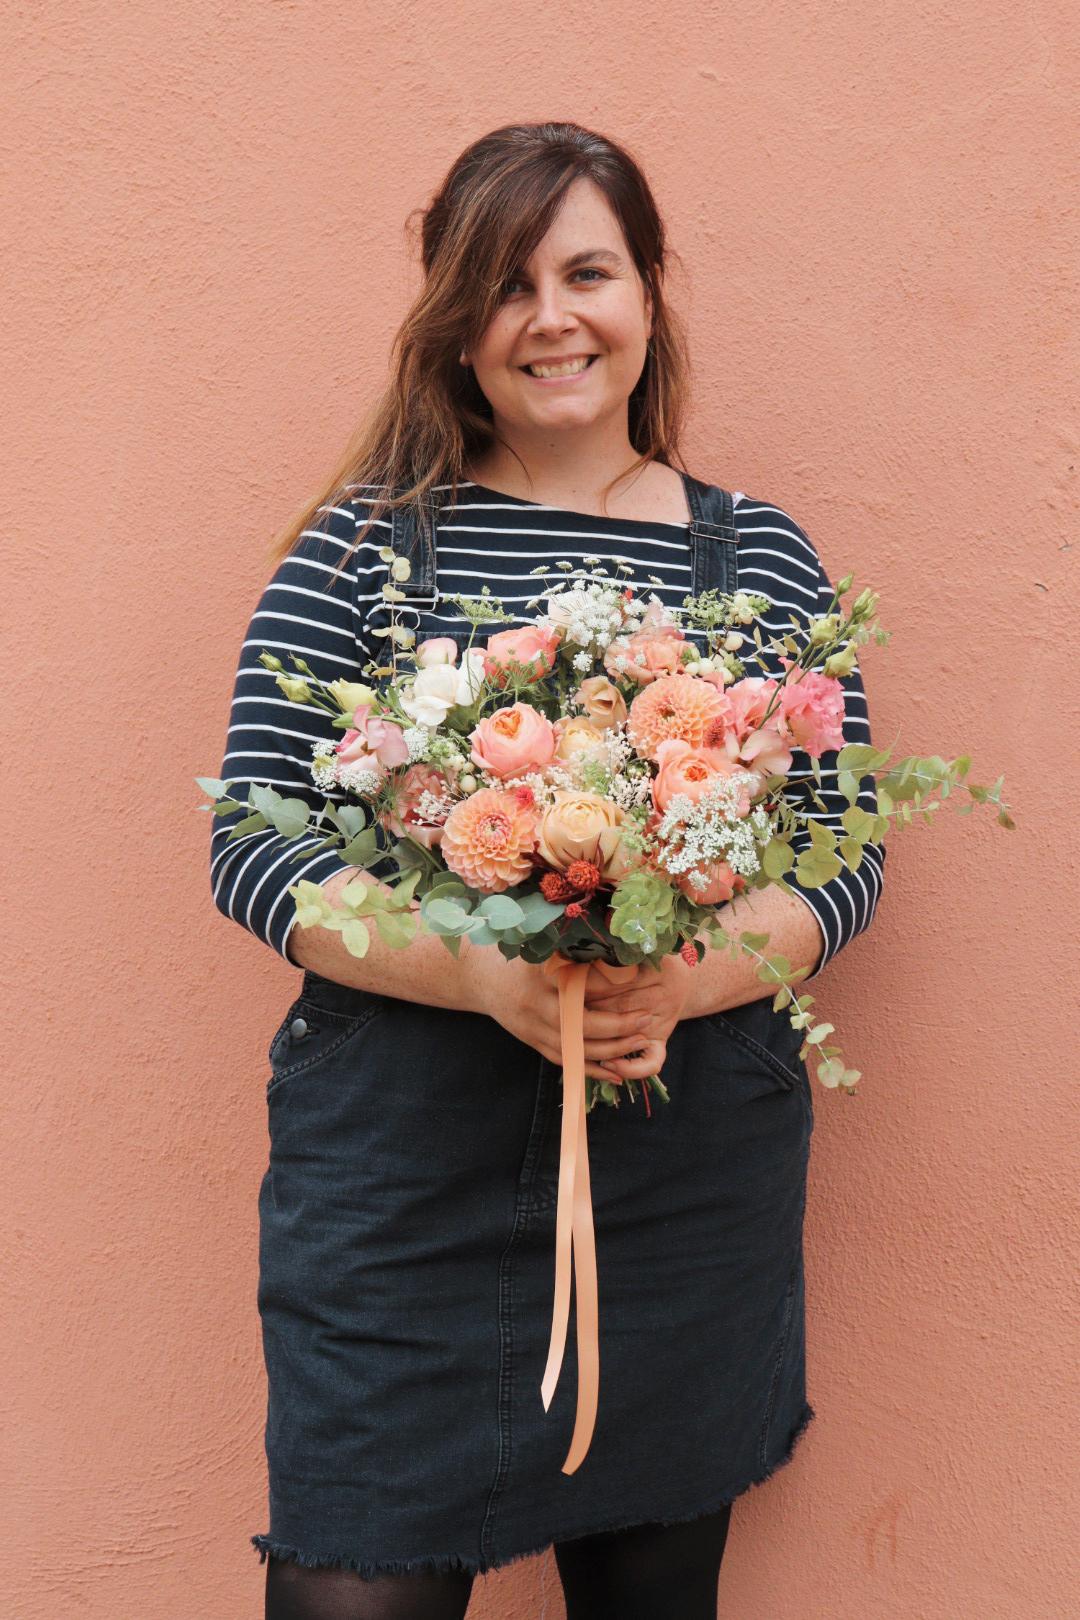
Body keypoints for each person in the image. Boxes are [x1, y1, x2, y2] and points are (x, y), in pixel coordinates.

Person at [210, 121, 886, 1620]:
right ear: (456, 325)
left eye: (587, 272)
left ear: (647, 293)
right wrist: (477, 971)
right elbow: (254, 842)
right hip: (400, 1187)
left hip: (679, 1177)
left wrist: (681, 983)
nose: (551, 317)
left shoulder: (762, 560)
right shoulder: (364, 549)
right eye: (505, 285)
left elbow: (846, 859)